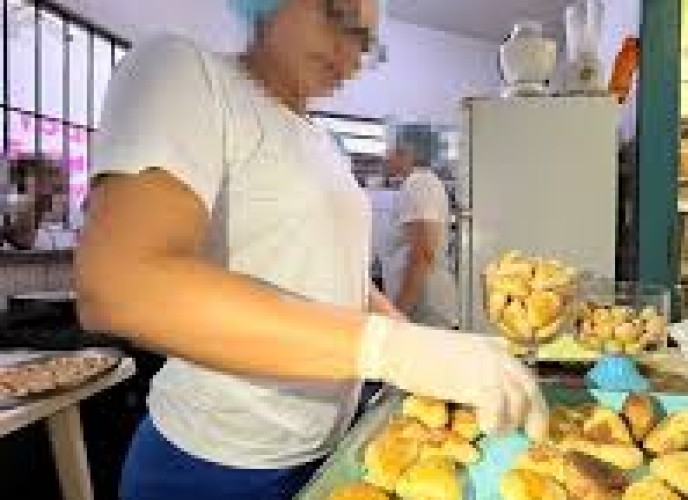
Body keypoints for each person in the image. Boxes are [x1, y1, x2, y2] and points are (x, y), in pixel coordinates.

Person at [73, 0, 547, 499]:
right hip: (214, 465)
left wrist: (421, 349)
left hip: (329, 452)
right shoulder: (188, 73)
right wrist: (394, 351)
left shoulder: (322, 145)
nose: (349, 50)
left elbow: (337, 278)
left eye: (363, 41)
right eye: (334, 15)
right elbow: (120, 283)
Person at [382, 145, 459, 327]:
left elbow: (423, 253)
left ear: (406, 155)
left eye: (388, 157)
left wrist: (396, 314)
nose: (384, 162)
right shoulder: (416, 184)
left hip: (423, 309)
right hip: (419, 308)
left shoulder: (419, 183)